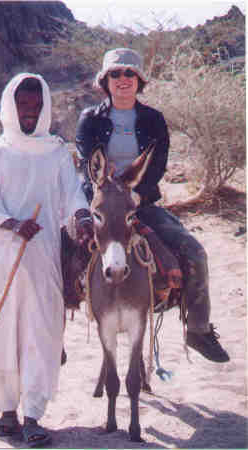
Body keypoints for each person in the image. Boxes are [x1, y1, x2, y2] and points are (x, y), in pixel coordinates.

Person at [75, 47, 230, 364]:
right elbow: (87, 167)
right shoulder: (89, 119)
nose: (123, 79)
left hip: (139, 202)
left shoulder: (153, 120)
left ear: (139, 79)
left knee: (195, 252)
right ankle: (54, 331)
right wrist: (103, 200)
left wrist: (134, 197)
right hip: (100, 204)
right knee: (55, 254)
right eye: (115, 74)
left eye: (129, 73)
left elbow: (156, 168)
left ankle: (198, 329)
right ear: (105, 80)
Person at [0, 73, 92, 447]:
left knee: (39, 332)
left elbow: (72, 194)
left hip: (41, 257)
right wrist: (11, 224)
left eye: (36, 106)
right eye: (24, 105)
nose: (30, 113)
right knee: (1, 331)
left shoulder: (55, 151)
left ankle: (34, 416)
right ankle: (7, 411)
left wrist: (83, 216)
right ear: (11, 105)